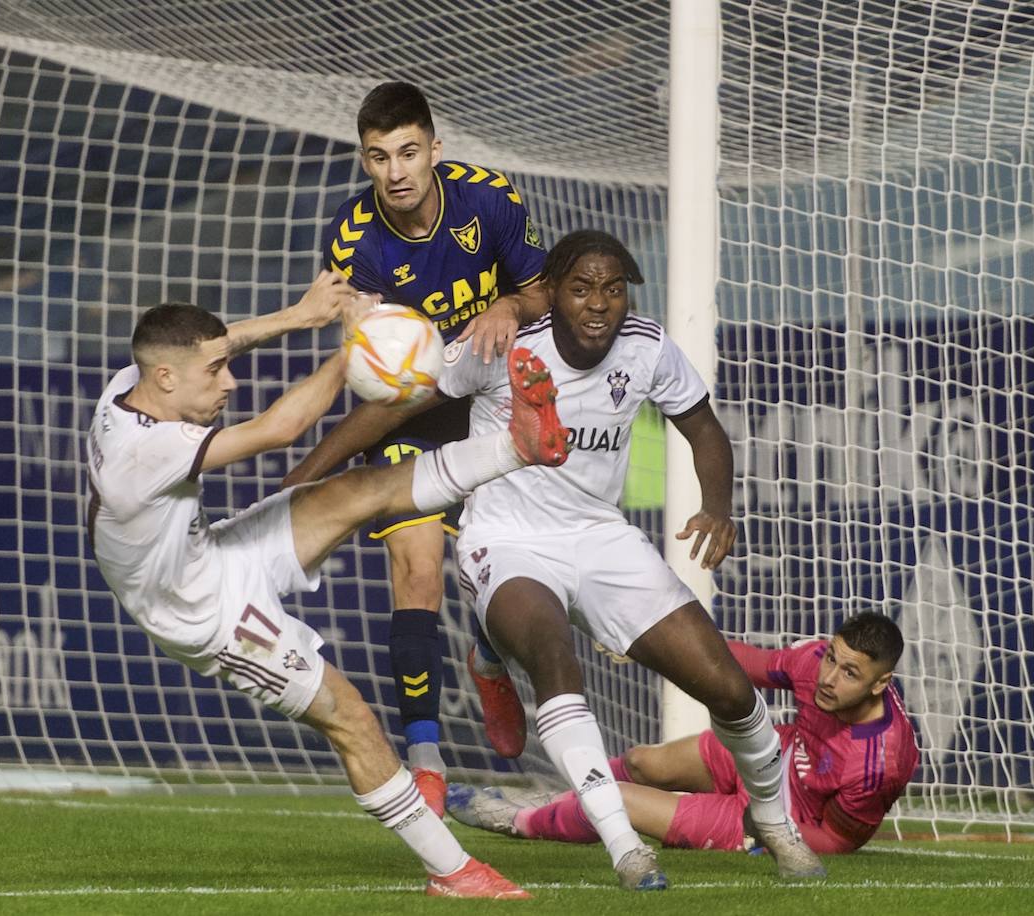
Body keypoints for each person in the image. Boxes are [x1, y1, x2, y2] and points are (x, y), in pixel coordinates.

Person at [284, 230, 828, 890]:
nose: (599, 304)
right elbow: (398, 404)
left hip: (600, 537)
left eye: (613, 290)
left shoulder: (647, 346)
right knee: (553, 657)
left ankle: (777, 827)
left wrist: (718, 505)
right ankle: (626, 847)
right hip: (507, 541)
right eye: (581, 289)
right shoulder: (501, 345)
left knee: (728, 689)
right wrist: (306, 482)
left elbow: (704, 425)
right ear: (552, 295)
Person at [84, 269, 571, 899]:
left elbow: (213, 343)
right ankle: (453, 872)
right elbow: (281, 429)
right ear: (167, 380)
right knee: (351, 719)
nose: (229, 380)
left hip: (207, 550)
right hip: (205, 610)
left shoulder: (133, 381)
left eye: (223, 366)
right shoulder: (143, 453)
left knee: (356, 490)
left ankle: (518, 446)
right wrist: (354, 348)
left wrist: (299, 314)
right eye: (215, 375)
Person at [284, 81, 548, 807]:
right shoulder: (353, 239)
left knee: (502, 570)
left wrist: (503, 302)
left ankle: (490, 658)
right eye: (378, 158)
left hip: (497, 397)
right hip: (415, 411)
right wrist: (364, 345)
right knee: (418, 568)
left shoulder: (489, 197)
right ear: (364, 163)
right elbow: (375, 363)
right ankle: (424, 763)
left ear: (435, 148)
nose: (395, 171)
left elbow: (542, 294)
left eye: (408, 152)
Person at [448, 612, 918, 861]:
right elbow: (741, 662)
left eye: (850, 672)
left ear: (881, 683)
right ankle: (556, 801)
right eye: (832, 657)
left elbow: (839, 841)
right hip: (768, 756)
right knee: (642, 763)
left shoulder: (882, 763)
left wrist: (768, 833)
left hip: (780, 818)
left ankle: (517, 820)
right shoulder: (815, 662)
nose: (829, 677)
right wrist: (647, 647)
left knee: (623, 800)